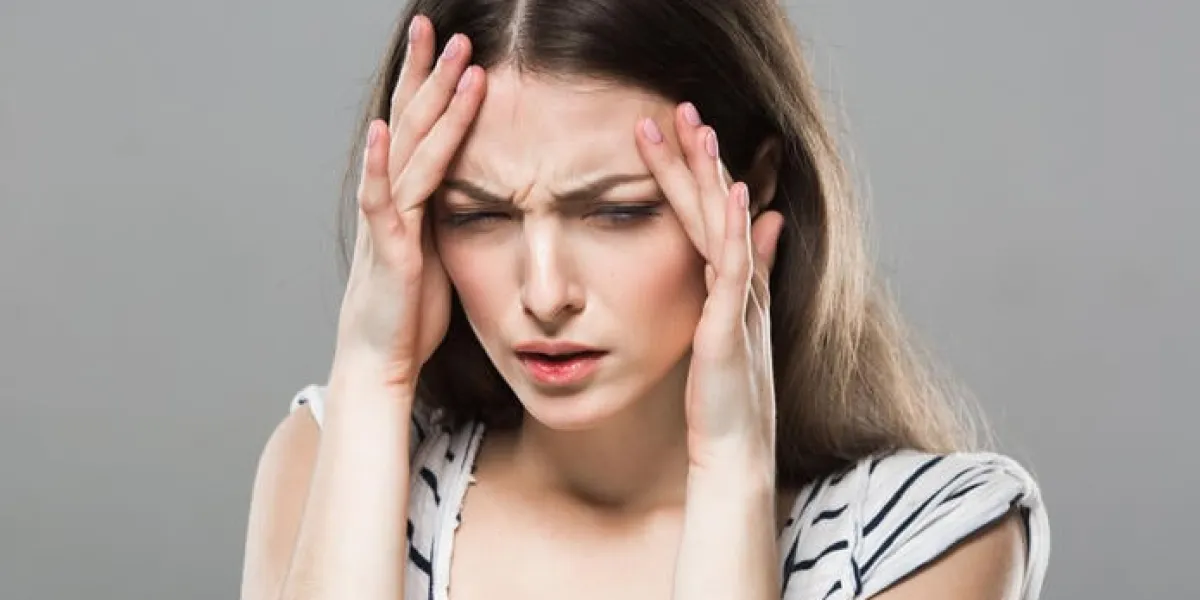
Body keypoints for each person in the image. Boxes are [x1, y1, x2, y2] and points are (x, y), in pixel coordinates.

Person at [240, 1, 1050, 599]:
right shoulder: (329, 459)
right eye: (478, 215)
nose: (545, 293)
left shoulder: (929, 540)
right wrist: (374, 373)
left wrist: (730, 465)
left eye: (618, 211)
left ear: (755, 182)